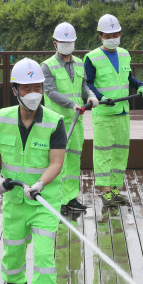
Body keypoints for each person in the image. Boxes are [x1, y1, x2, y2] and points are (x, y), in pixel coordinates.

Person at [0, 58, 67, 284]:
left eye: (38, 86)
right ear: (15, 89)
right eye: (27, 86)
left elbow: (56, 162)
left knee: (44, 256)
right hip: (14, 202)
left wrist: (40, 183)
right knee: (13, 255)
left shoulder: (55, 121)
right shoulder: (3, 117)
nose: (33, 91)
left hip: (43, 201)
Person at [84, 14, 143, 207]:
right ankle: (105, 191)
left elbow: (128, 77)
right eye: (109, 34)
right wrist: (100, 98)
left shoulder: (124, 54)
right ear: (100, 36)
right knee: (103, 152)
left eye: (116, 33)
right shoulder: (92, 57)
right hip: (104, 113)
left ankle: (114, 188)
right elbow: (87, 83)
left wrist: (140, 85)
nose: (113, 37)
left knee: (120, 152)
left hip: (122, 112)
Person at [41, 22, 98, 215]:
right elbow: (50, 91)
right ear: (55, 44)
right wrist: (71, 104)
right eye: (63, 42)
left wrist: (90, 95)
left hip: (77, 121)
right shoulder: (47, 66)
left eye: (70, 42)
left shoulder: (80, 63)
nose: (67, 45)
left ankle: (70, 198)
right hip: (57, 123)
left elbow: (83, 86)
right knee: (59, 162)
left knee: (73, 160)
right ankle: (57, 200)